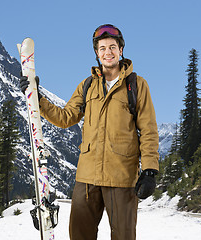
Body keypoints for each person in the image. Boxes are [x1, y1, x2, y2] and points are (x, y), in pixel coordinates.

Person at [20, 24, 159, 240]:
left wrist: (150, 170)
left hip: (121, 178)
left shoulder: (137, 86)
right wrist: (37, 99)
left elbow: (148, 130)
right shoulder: (87, 86)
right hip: (87, 178)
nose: (108, 52)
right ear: (97, 53)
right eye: (102, 48)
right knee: (79, 235)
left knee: (124, 236)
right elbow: (65, 117)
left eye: (112, 47)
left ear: (121, 50)